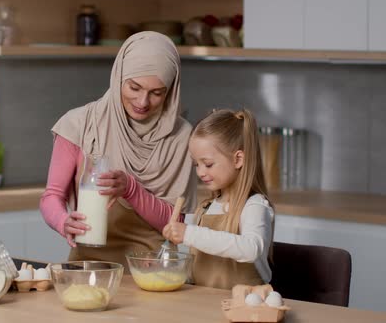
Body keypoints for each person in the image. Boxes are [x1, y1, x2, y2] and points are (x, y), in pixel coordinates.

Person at [40, 31, 196, 268]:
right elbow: (52, 196)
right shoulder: (79, 125)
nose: (143, 102)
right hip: (87, 264)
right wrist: (63, 221)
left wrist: (131, 189)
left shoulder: (181, 136)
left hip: (151, 271)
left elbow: (176, 221)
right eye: (134, 87)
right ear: (119, 76)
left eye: (156, 93)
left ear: (171, 91)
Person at [163, 109, 275, 289]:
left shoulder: (255, 205)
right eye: (196, 164)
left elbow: (251, 249)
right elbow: (196, 265)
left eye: (207, 164)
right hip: (204, 305)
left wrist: (188, 233)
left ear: (238, 159)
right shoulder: (205, 208)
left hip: (245, 307)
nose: (200, 172)